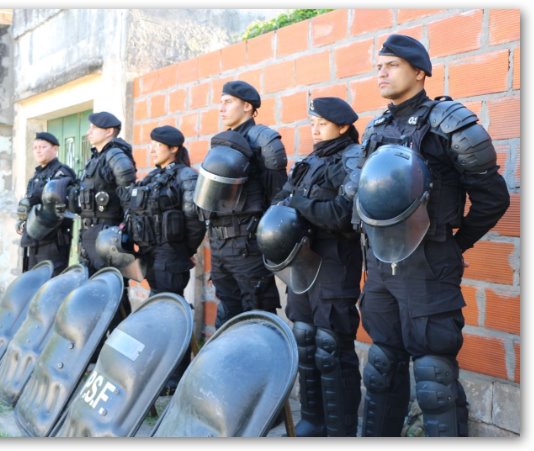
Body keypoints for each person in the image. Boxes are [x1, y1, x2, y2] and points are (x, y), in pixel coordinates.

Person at [355, 34, 510, 437]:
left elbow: (493, 198)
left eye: (392, 65)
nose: (382, 73)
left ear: (420, 72)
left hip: (429, 266)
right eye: (378, 67)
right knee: (382, 367)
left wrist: (455, 244)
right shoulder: (376, 128)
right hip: (380, 267)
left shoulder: (449, 123)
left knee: (433, 377)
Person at [268, 98, 363, 437]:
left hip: (335, 261)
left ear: (342, 126)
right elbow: (281, 200)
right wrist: (295, 204)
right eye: (313, 123)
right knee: (305, 338)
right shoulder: (309, 162)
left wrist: (299, 204)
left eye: (322, 123)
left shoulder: (354, 159)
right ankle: (312, 421)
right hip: (303, 262)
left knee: (331, 345)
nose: (315, 130)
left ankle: (340, 430)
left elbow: (341, 215)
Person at [197, 80, 288, 328]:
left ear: (247, 106)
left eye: (228, 102)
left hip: (248, 247)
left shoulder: (264, 141)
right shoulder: (222, 142)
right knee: (227, 317)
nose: (221, 108)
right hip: (219, 245)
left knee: (257, 318)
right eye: (220, 102)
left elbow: (278, 200)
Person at [124, 125, 206, 394]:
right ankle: (160, 374)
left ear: (173, 148)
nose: (152, 150)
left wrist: (184, 250)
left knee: (171, 316)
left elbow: (195, 222)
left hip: (171, 256)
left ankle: (174, 378)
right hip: (150, 254)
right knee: (158, 315)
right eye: (151, 144)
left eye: (157, 146)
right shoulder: (152, 177)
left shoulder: (186, 177)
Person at [68, 111, 136, 316]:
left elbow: (130, 197)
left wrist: (124, 230)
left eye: (94, 128)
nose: (88, 132)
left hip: (107, 236)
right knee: (92, 292)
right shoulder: (95, 158)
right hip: (89, 234)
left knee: (113, 293)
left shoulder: (116, 155)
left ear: (109, 131)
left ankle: (117, 334)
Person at [16, 131, 76, 276]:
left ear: (55, 149)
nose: (38, 151)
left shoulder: (62, 173)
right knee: (32, 281)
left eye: (43, 147)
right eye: (35, 148)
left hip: (53, 241)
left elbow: (60, 204)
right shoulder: (36, 175)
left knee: (50, 283)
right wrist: (22, 221)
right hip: (34, 240)